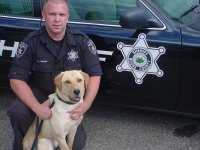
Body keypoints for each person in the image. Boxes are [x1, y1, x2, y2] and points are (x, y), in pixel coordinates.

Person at [7, 0, 102, 149]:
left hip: (68, 100)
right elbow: (16, 79)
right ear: (44, 15)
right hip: (39, 95)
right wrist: (37, 108)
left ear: (67, 16)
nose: (57, 19)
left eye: (61, 14)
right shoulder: (32, 42)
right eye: (52, 14)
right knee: (17, 111)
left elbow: (95, 75)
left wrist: (86, 105)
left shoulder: (81, 41)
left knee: (76, 145)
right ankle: (27, 144)